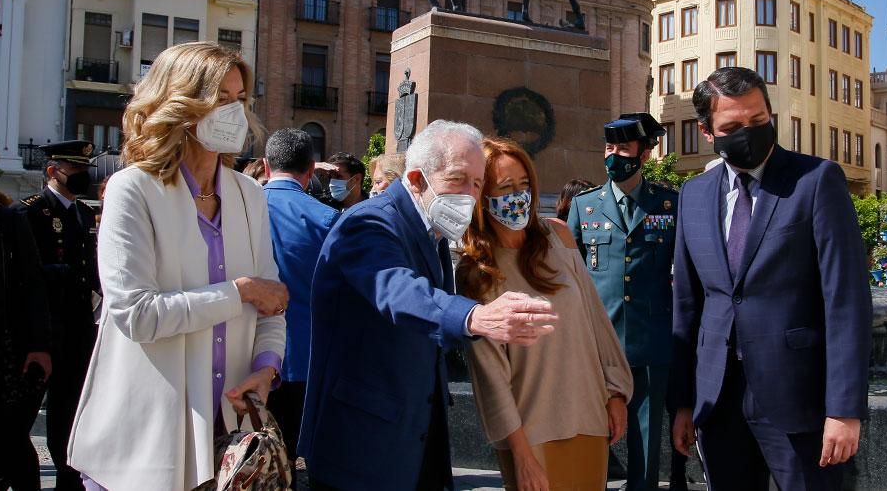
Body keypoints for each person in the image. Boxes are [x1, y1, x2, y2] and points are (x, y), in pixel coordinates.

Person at [68, 42, 289, 490]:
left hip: (229, 438)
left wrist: (267, 367)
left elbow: (271, 303)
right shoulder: (133, 190)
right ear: (181, 105)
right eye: (220, 99)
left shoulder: (249, 194)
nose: (235, 112)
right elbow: (136, 314)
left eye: (240, 99)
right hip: (145, 439)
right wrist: (239, 291)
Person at [299, 119, 559, 490]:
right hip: (361, 447)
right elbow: (399, 291)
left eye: (477, 183)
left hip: (413, 439)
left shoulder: (431, 230)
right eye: (457, 179)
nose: (469, 195)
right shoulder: (369, 223)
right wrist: (473, 316)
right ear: (417, 179)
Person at [670, 67, 872, 490]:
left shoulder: (816, 181)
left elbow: (846, 302)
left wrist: (844, 409)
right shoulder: (693, 195)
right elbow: (687, 306)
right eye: (733, 127)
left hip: (799, 401)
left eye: (758, 120)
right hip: (716, 400)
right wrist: (683, 402)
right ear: (707, 132)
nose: (748, 133)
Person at [458, 137, 632, 489]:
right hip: (530, 432)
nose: (518, 195)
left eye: (524, 184)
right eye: (505, 186)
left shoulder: (559, 236)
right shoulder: (476, 272)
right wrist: (521, 455)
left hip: (588, 416)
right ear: (482, 195)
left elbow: (596, 320)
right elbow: (491, 376)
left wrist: (616, 391)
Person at [566, 113, 678, 491]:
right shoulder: (585, 206)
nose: (613, 155)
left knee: (645, 447)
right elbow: (571, 276)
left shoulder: (668, 205)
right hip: (599, 345)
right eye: (609, 147)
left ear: (644, 155)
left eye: (623, 148)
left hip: (650, 343)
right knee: (594, 440)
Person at [17, 140, 100, 491]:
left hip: (77, 331)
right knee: (19, 423)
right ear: (53, 171)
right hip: (42, 331)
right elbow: (24, 275)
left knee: (69, 420)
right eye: (75, 169)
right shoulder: (30, 212)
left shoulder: (83, 213)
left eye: (85, 169)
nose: (82, 175)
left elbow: (92, 270)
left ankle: (69, 483)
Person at [262, 128, 340, 472]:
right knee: (288, 457)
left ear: (266, 166)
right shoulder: (326, 218)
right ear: (311, 170)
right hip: (301, 356)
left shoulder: (236, 209)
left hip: (240, 355)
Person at [0, 191, 52, 491]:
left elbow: (33, 281)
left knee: (10, 433)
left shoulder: (7, 219)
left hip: (5, 348)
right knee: (11, 438)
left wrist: (39, 344)